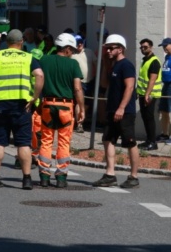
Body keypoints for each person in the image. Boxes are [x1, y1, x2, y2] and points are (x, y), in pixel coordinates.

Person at [0, 29, 44, 190]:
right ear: (21, 42)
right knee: (23, 143)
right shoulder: (29, 58)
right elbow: (40, 75)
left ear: (7, 43)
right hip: (22, 105)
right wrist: (35, 97)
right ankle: (27, 179)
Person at [35, 33, 85, 188]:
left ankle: (44, 176)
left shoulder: (44, 60)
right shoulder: (73, 65)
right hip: (66, 106)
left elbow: (38, 80)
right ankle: (61, 178)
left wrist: (37, 99)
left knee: (46, 140)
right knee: (64, 142)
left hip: (48, 105)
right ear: (68, 49)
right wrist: (81, 108)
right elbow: (77, 88)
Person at [93, 34, 140, 189]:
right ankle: (110, 174)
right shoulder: (113, 66)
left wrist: (121, 107)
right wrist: (106, 62)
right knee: (108, 140)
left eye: (110, 48)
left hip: (124, 111)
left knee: (130, 143)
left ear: (120, 49)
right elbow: (105, 84)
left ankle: (134, 176)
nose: (108, 51)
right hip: (112, 110)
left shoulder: (126, 65)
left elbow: (130, 87)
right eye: (107, 48)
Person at [136, 38, 162, 150]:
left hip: (150, 95)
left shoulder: (154, 61)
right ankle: (148, 140)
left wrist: (147, 94)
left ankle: (153, 142)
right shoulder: (145, 60)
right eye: (141, 47)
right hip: (142, 94)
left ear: (151, 47)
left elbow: (152, 79)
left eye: (145, 47)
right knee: (145, 117)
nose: (143, 49)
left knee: (149, 118)